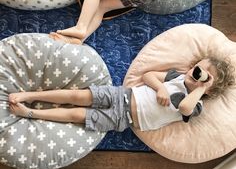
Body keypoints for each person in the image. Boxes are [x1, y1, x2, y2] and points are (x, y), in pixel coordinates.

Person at [8, 57, 235, 132]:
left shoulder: (196, 105)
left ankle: (30, 113)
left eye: (203, 77)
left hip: (122, 119)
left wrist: (202, 88)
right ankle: (28, 95)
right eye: (196, 69)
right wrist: (161, 87)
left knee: (77, 115)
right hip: (121, 95)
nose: (195, 75)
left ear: (209, 88)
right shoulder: (174, 77)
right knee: (77, 96)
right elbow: (148, 76)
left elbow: (184, 108)